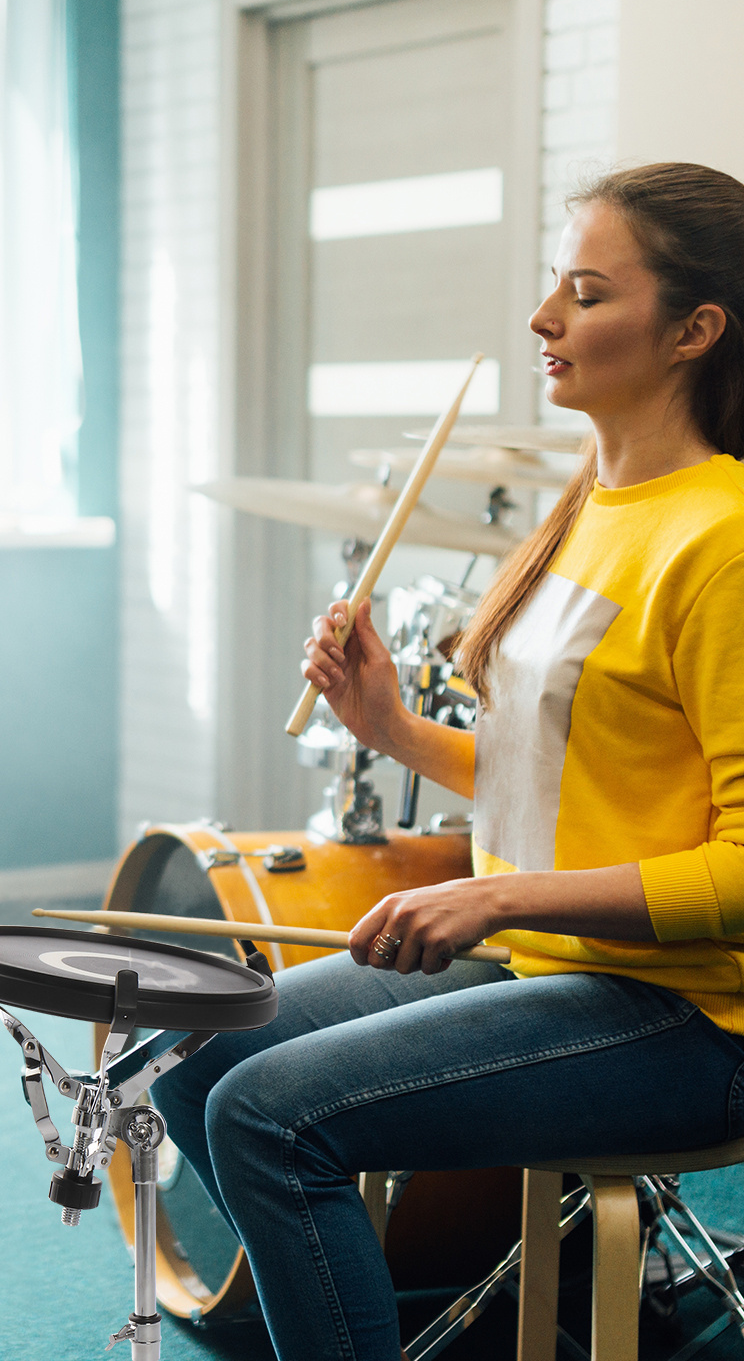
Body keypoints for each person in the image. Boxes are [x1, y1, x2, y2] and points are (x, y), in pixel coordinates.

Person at [152, 162, 744, 1361]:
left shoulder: (721, 541)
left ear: (694, 330)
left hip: (695, 1013)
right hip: (548, 961)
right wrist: (391, 728)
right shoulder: (593, 501)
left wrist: (494, 893)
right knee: (190, 1059)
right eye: (553, 290)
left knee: (267, 1117)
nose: (543, 320)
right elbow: (573, 781)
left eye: (584, 293)